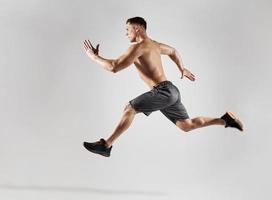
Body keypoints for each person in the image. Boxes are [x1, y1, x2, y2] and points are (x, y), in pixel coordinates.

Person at [83, 16, 244, 157]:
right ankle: (224, 120)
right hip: (171, 91)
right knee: (186, 125)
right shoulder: (155, 45)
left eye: (127, 29)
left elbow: (114, 67)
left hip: (163, 91)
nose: (126, 33)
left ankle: (106, 145)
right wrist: (182, 67)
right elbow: (173, 51)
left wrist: (93, 57)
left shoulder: (138, 47)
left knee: (129, 108)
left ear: (137, 28)